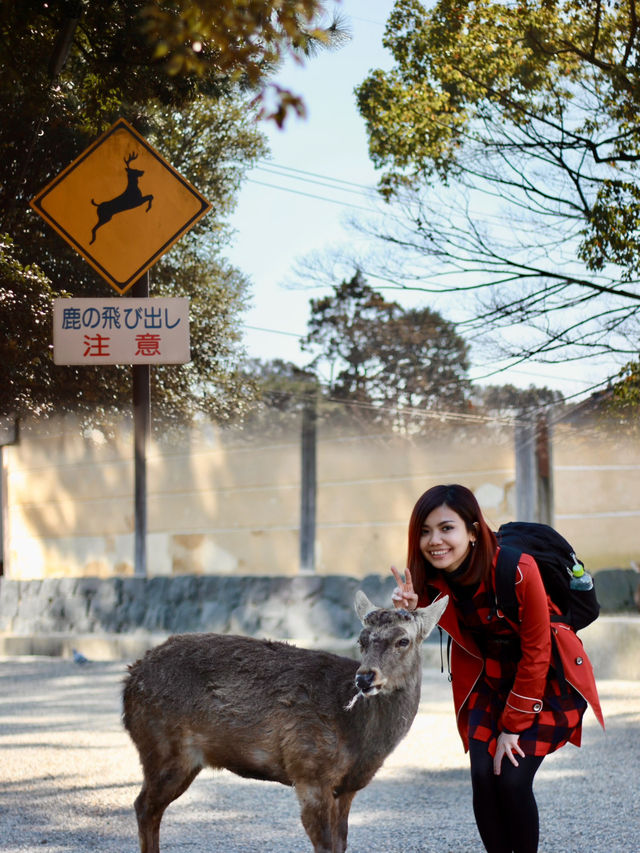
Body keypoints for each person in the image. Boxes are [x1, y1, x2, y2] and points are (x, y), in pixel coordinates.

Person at [390, 484, 604, 853]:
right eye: (424, 531)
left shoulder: (518, 569)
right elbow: (417, 633)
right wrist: (410, 610)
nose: (434, 540)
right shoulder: (431, 577)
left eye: (446, 528)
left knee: (512, 780)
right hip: (489, 682)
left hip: (546, 679)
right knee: (482, 778)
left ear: (473, 531)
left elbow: (537, 651)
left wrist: (513, 726)